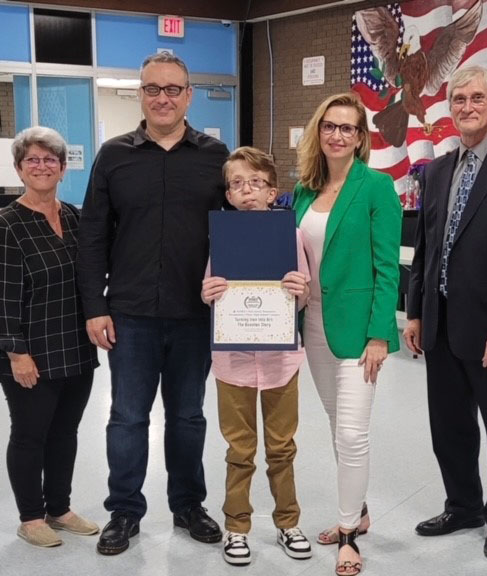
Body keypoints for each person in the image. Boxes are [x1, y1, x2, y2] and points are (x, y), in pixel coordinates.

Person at [77, 52, 227, 555]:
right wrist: (95, 307)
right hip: (131, 313)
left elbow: (236, 228)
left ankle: (187, 505)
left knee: (187, 417)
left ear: (189, 95)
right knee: (127, 417)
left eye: (173, 89)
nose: (163, 98)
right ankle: (124, 511)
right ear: (139, 94)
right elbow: (93, 234)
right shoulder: (113, 155)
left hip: (194, 313)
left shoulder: (215, 155)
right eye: (152, 89)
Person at [403, 65, 487, 560]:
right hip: (439, 321)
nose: (467, 107)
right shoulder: (435, 170)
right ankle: (463, 505)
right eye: (459, 99)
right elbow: (426, 247)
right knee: (449, 425)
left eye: (477, 98)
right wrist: (414, 312)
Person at [293, 92, 402, 576]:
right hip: (313, 323)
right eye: (330, 126)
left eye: (349, 128)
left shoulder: (377, 187)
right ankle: (355, 511)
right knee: (338, 429)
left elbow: (387, 268)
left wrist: (380, 335)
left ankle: (349, 536)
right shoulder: (302, 191)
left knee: (353, 434)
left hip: (360, 331)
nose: (338, 135)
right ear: (319, 131)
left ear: (361, 138)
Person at [201, 146, 313, 566]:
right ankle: (237, 527)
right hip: (233, 362)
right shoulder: (222, 236)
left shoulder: (292, 235)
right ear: (227, 195)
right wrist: (206, 292)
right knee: (239, 449)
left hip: (281, 361)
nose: (247, 191)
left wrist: (298, 294)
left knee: (282, 447)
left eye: (256, 183)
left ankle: (288, 522)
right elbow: (210, 289)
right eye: (237, 183)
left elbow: (303, 298)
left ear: (273, 192)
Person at [0, 126, 99, 548]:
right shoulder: (7, 224)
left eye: (50, 160)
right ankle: (30, 516)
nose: (42, 167)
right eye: (33, 160)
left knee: (65, 433)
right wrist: (15, 352)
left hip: (76, 347)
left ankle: (58, 508)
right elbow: (2, 296)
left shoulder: (75, 217)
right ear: (19, 168)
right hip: (30, 353)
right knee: (30, 435)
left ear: (62, 167)